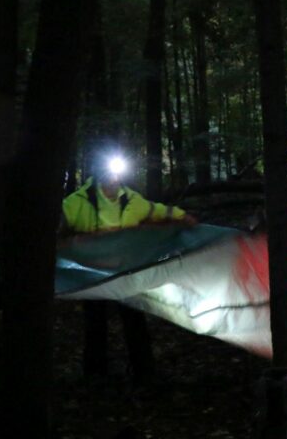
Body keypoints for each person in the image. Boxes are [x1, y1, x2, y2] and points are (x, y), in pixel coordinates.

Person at [60, 153, 196, 384]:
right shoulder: (78, 202)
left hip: (126, 274)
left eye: (116, 173)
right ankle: (95, 375)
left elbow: (158, 210)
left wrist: (185, 218)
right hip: (94, 277)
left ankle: (143, 372)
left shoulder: (131, 200)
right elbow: (59, 222)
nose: (113, 178)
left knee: (134, 322)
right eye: (109, 173)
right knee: (95, 325)